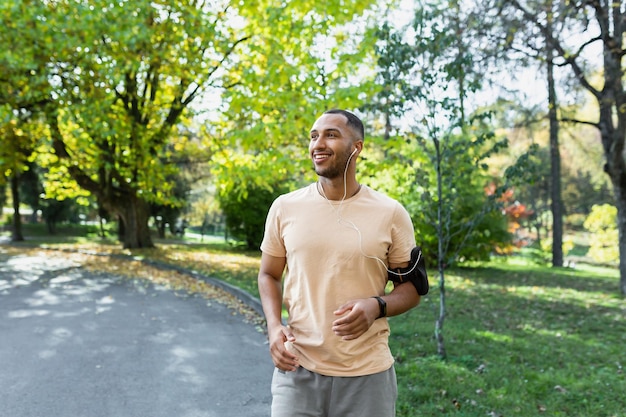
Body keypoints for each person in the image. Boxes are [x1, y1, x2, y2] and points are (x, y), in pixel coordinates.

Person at [258, 109, 421, 417]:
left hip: (367, 377)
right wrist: (273, 325)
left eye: (331, 135)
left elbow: (412, 289)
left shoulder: (390, 213)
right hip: (298, 370)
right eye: (313, 136)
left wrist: (377, 306)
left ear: (356, 147)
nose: (318, 143)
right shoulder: (284, 207)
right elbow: (268, 274)